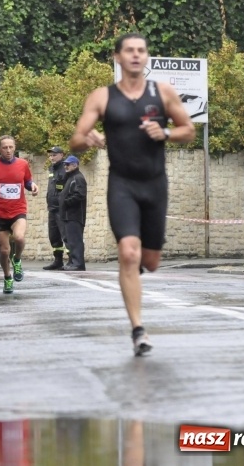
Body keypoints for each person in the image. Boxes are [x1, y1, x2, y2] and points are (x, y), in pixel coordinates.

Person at [69, 32, 195, 355]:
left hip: (155, 185)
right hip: (122, 184)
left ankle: (135, 270)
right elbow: (76, 139)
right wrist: (89, 139)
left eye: (141, 50)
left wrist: (165, 132)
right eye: (129, 50)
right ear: (118, 57)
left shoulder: (162, 92)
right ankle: (138, 330)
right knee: (128, 253)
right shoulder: (102, 97)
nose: (136, 55)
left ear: (146, 57)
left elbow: (189, 130)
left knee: (149, 262)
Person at [0, 135, 39, 294]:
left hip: (18, 209)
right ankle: (7, 277)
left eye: (11, 147)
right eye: (4, 147)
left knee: (19, 237)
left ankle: (17, 259)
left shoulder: (22, 164)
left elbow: (27, 181)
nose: (8, 150)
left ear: (14, 148)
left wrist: (33, 186)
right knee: (4, 251)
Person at [59, 155, 87, 271]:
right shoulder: (70, 177)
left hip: (74, 215)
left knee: (75, 240)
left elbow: (80, 195)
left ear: (75, 165)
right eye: (64, 164)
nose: (65, 166)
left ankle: (78, 264)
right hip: (67, 215)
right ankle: (72, 262)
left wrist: (66, 202)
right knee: (70, 240)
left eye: (68, 164)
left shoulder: (78, 178)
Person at [44, 146, 68, 270]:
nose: (51, 157)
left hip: (61, 208)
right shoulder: (52, 169)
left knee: (66, 235)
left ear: (61, 155)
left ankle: (73, 261)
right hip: (52, 208)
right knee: (54, 236)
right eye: (50, 155)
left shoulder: (65, 169)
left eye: (54, 155)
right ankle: (58, 261)